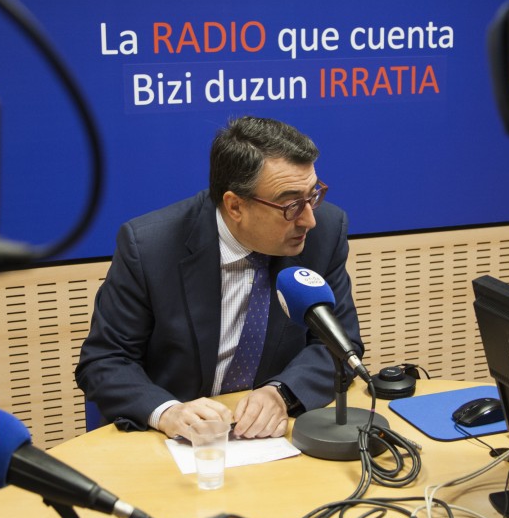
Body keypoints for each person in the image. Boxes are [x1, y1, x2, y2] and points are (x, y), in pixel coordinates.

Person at [75, 116, 363, 441]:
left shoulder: (324, 233)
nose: (309, 219)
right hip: (172, 442)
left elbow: (340, 345)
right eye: (291, 205)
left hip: (271, 440)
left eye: (313, 195)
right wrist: (167, 412)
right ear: (235, 206)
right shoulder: (150, 248)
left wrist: (281, 392)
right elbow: (104, 360)